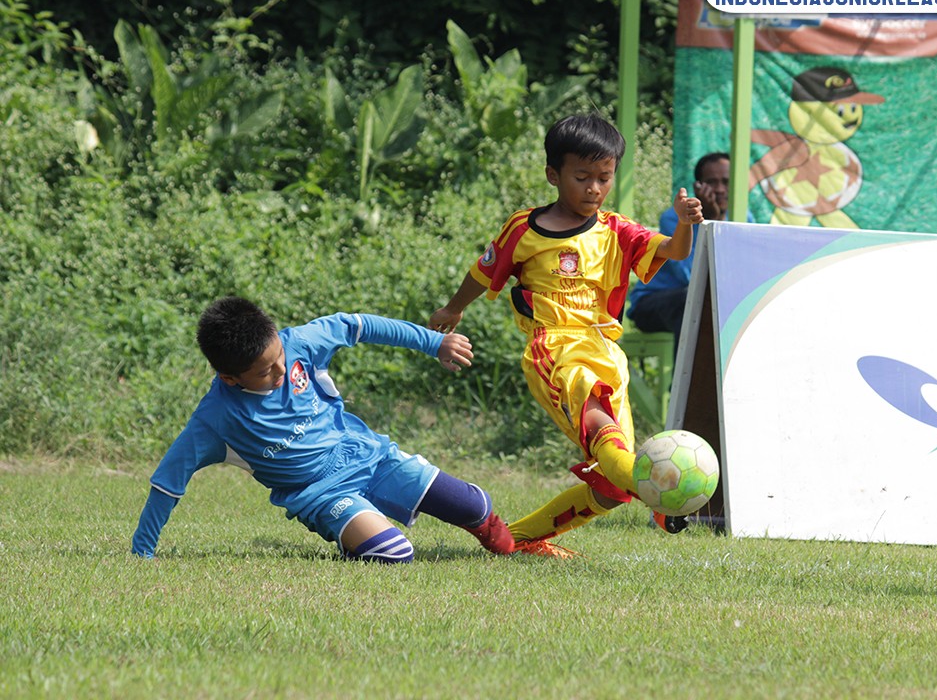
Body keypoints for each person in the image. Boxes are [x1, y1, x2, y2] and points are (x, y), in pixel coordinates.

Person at [428, 114, 704, 556]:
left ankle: (515, 540)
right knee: (601, 430)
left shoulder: (617, 230)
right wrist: (453, 308)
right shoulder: (524, 229)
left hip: (606, 353)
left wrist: (686, 224)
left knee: (613, 489)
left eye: (604, 177)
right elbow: (483, 272)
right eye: (582, 177)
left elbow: (672, 251)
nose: (594, 188)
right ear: (553, 175)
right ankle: (661, 489)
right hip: (554, 346)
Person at [131, 297, 514, 563]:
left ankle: (513, 548)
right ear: (229, 378)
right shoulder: (215, 420)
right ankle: (355, 531)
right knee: (393, 554)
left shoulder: (302, 342)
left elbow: (359, 325)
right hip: (322, 494)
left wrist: (434, 342)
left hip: (369, 456)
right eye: (265, 372)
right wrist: (142, 552)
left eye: (279, 357)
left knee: (473, 505)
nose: (280, 372)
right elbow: (167, 482)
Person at [626, 152, 751, 352]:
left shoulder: (744, 216)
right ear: (698, 187)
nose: (719, 189)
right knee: (694, 301)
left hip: (708, 303)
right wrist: (710, 222)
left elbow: (743, 272)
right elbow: (691, 276)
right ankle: (686, 383)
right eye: (712, 182)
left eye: (726, 182)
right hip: (655, 301)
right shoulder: (674, 218)